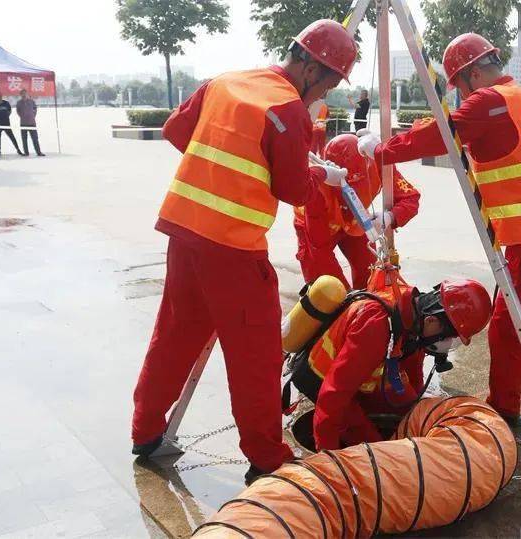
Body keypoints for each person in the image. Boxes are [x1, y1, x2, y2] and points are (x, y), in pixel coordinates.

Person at [130, 19, 358, 484]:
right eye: (329, 83)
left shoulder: (225, 82)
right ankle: (266, 457)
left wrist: (229, 169)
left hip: (185, 234)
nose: (325, 95)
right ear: (312, 68)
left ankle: (145, 431)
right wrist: (320, 174)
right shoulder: (288, 109)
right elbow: (293, 190)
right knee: (256, 353)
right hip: (233, 250)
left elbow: (178, 132)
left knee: (174, 334)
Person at [355, 33, 521, 474]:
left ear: (472, 73)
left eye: (459, 86)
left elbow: (441, 134)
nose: (462, 96)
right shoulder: (520, 101)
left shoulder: (491, 101)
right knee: (505, 330)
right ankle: (502, 407)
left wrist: (382, 150)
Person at [291, 275, 493, 451]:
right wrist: (326, 453)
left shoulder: (414, 317)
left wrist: (415, 411)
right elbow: (333, 395)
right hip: (320, 379)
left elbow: (413, 370)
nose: (445, 344)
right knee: (375, 447)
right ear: (432, 320)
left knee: (410, 415)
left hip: (358, 374)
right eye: (449, 337)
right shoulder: (376, 327)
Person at [294, 133, 420, 289]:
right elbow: (318, 248)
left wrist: (390, 217)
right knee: (327, 290)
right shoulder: (317, 186)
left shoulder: (377, 162)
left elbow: (410, 198)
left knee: (372, 278)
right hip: (319, 227)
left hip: (356, 220)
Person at [16, 89, 44, 157]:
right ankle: (26, 153)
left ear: (27, 94)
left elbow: (35, 109)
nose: (24, 95)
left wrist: (33, 115)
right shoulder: (19, 103)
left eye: (25, 93)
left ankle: (38, 152)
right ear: (20, 95)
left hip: (32, 123)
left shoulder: (31, 101)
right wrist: (22, 116)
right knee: (24, 139)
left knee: (35, 138)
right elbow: (18, 111)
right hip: (23, 123)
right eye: (22, 94)